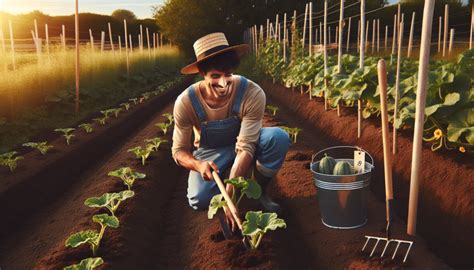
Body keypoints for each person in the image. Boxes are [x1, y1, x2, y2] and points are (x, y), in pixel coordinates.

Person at [171, 32, 291, 218]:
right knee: (198, 200)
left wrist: (232, 191)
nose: (223, 83)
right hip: (210, 151)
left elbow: (246, 146)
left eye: (228, 75)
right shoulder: (186, 102)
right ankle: (229, 189)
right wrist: (198, 164)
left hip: (244, 143)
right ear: (202, 74)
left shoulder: (251, 92)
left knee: (277, 138)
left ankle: (259, 192)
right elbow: (178, 151)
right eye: (215, 76)